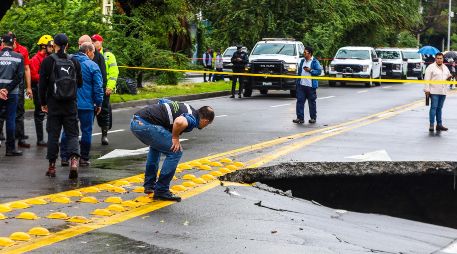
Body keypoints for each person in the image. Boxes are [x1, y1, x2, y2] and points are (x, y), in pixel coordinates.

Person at [130, 99, 215, 202]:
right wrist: (175, 137)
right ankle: (161, 191)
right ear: (206, 121)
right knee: (176, 151)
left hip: (136, 121)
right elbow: (179, 122)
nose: (205, 126)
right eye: (207, 124)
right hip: (146, 125)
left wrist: (160, 117)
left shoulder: (186, 106)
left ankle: (149, 185)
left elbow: (162, 101)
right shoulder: (192, 119)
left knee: (156, 148)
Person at [39, 33, 83, 178]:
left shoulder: (48, 61)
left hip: (54, 104)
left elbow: (42, 85)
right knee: (72, 134)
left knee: (53, 135)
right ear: (68, 45)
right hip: (70, 104)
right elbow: (80, 83)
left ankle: (51, 167)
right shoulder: (74, 61)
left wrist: (43, 103)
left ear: (54, 46)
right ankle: (74, 161)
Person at [60, 42, 103, 167]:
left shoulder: (68, 62)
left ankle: (64, 157)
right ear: (88, 51)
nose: (93, 55)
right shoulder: (92, 65)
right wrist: (99, 103)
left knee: (67, 131)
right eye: (93, 52)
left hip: (69, 103)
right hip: (87, 105)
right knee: (86, 131)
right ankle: (84, 158)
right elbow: (98, 87)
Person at [0, 32, 32, 148]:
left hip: (0, 92)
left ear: (3, 43)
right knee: (11, 119)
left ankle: (15, 141)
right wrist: (7, 90)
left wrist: (1, 90)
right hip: (12, 92)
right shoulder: (18, 57)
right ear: (13, 42)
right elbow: (19, 76)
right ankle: (10, 148)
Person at [92, 34, 118, 146]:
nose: (93, 43)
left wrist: (110, 86)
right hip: (93, 88)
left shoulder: (108, 55)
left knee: (104, 111)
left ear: (100, 42)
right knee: (90, 112)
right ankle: (85, 134)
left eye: (95, 41)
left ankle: (104, 135)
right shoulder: (90, 54)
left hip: (104, 88)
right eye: (92, 41)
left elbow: (113, 72)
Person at [29, 35, 54, 147]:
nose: (52, 48)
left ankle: (51, 138)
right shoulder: (35, 59)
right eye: (50, 46)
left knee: (51, 114)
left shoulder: (50, 58)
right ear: (44, 46)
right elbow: (34, 76)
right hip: (38, 89)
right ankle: (40, 140)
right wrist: (47, 77)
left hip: (49, 89)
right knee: (39, 114)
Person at [293, 46, 322, 124]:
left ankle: (313, 118)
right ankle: (300, 118)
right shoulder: (302, 61)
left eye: (305, 52)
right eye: (304, 52)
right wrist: (297, 82)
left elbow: (319, 72)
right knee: (300, 101)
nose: (304, 54)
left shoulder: (315, 62)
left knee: (311, 102)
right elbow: (299, 73)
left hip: (311, 86)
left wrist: (310, 70)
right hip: (301, 85)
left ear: (310, 54)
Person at [424, 52, 451, 132]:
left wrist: (449, 77)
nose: (439, 60)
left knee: (439, 108)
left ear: (443, 59)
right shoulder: (430, 67)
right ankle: (431, 125)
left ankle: (439, 125)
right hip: (434, 91)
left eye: (441, 58)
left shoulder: (445, 67)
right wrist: (427, 90)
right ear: (435, 59)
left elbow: (448, 77)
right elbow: (427, 79)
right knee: (433, 108)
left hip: (443, 91)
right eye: (438, 58)